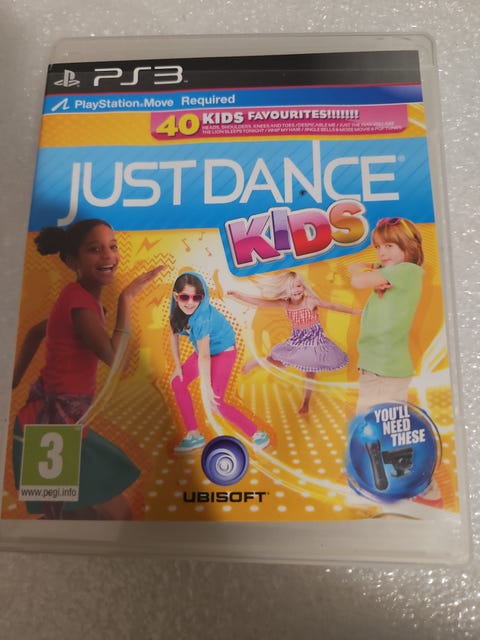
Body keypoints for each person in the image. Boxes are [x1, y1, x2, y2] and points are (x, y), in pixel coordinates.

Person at [12, 218, 163, 519]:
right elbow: (118, 363)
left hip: (62, 422)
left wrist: (12, 382)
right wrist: (126, 299)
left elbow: (35, 332)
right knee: (108, 517)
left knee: (79, 518)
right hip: (50, 425)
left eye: (112, 246)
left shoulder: (78, 300)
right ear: (73, 261)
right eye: (95, 249)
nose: (108, 255)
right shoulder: (80, 306)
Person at [227, 270, 360, 413]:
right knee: (280, 364)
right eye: (291, 287)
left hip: (315, 342)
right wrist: (239, 296)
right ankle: (261, 361)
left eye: (299, 286)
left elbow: (333, 306)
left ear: (303, 287)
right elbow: (261, 303)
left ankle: (306, 403)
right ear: (284, 290)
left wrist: (354, 312)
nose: (296, 290)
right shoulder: (285, 304)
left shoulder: (310, 301)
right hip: (297, 341)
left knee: (310, 373)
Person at [169, 272, 270, 452]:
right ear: (176, 297)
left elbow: (204, 357)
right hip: (204, 351)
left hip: (223, 352)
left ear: (202, 297)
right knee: (177, 382)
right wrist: (177, 367)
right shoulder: (176, 310)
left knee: (216, 402)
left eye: (196, 297)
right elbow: (174, 334)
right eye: (184, 297)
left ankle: (258, 434)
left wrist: (207, 387)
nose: (190, 303)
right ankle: (194, 435)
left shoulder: (202, 318)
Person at [348, 217, 424, 414]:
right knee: (376, 421)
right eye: (378, 247)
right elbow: (353, 266)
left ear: (408, 246)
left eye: (389, 246)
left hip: (385, 368)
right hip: (377, 365)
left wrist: (368, 273)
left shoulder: (407, 270)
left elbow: (357, 280)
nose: (381, 252)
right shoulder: (390, 271)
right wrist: (372, 269)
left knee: (376, 421)